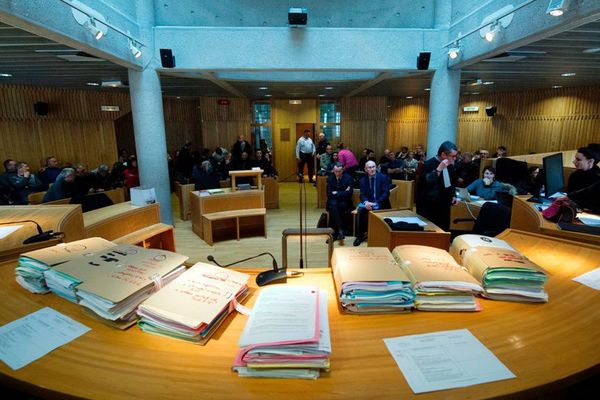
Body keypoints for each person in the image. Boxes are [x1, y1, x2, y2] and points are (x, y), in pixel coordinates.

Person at [416, 141, 458, 231]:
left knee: (444, 230)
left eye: (455, 156)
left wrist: (454, 195)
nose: (455, 159)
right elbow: (427, 182)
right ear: (443, 154)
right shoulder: (428, 164)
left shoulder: (451, 165)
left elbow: (452, 183)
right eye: (453, 156)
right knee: (431, 232)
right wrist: (439, 169)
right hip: (430, 205)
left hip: (445, 204)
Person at [354, 160, 391, 246]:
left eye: (373, 167)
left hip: (381, 203)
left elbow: (386, 193)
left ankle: (381, 237)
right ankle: (360, 236)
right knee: (361, 212)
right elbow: (362, 195)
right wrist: (366, 202)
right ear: (365, 169)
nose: (372, 169)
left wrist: (376, 202)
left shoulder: (383, 177)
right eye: (369, 167)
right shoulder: (363, 180)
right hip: (368, 204)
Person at [326, 162, 354, 241]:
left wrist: (337, 192)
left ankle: (334, 233)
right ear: (333, 170)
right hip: (333, 201)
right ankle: (341, 230)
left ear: (343, 170)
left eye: (339, 171)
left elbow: (349, 193)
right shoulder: (330, 178)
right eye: (335, 171)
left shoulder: (348, 178)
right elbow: (329, 194)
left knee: (335, 206)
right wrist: (343, 192)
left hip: (345, 202)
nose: (337, 173)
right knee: (334, 205)